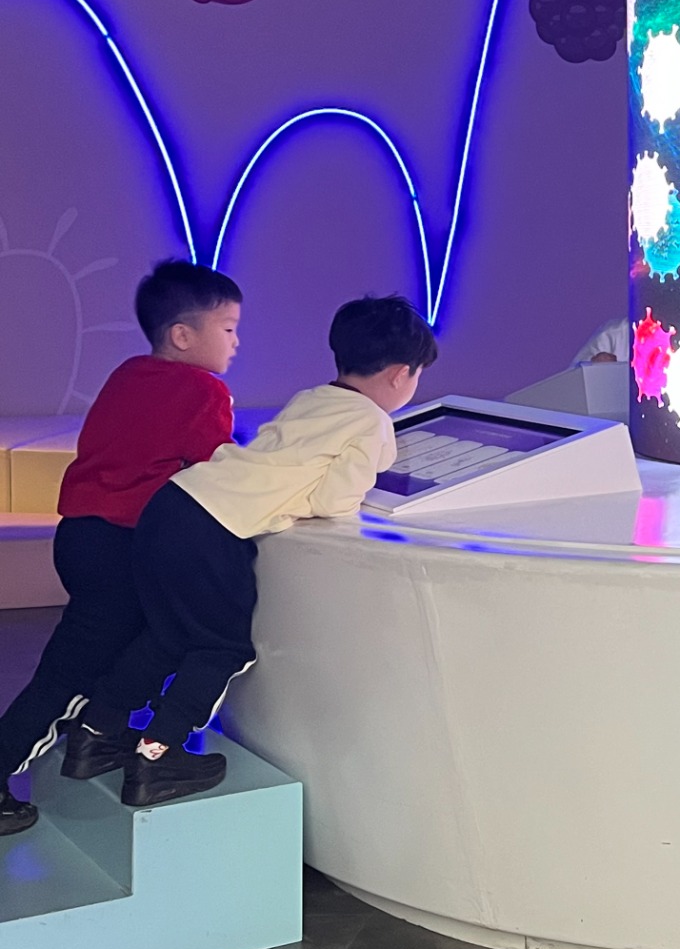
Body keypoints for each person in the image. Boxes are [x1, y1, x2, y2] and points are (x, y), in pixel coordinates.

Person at [67, 295, 436, 809]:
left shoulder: (312, 398)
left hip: (172, 505)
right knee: (222, 647)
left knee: (167, 635)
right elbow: (334, 501)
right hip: (211, 528)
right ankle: (158, 755)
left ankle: (94, 735)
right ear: (401, 374)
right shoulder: (372, 422)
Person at [0, 262, 242, 836]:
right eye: (229, 328)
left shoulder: (128, 374)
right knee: (67, 677)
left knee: (109, 651)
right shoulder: (203, 390)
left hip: (81, 536)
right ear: (182, 335)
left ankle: (102, 735)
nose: (237, 342)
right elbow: (217, 470)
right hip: (124, 545)